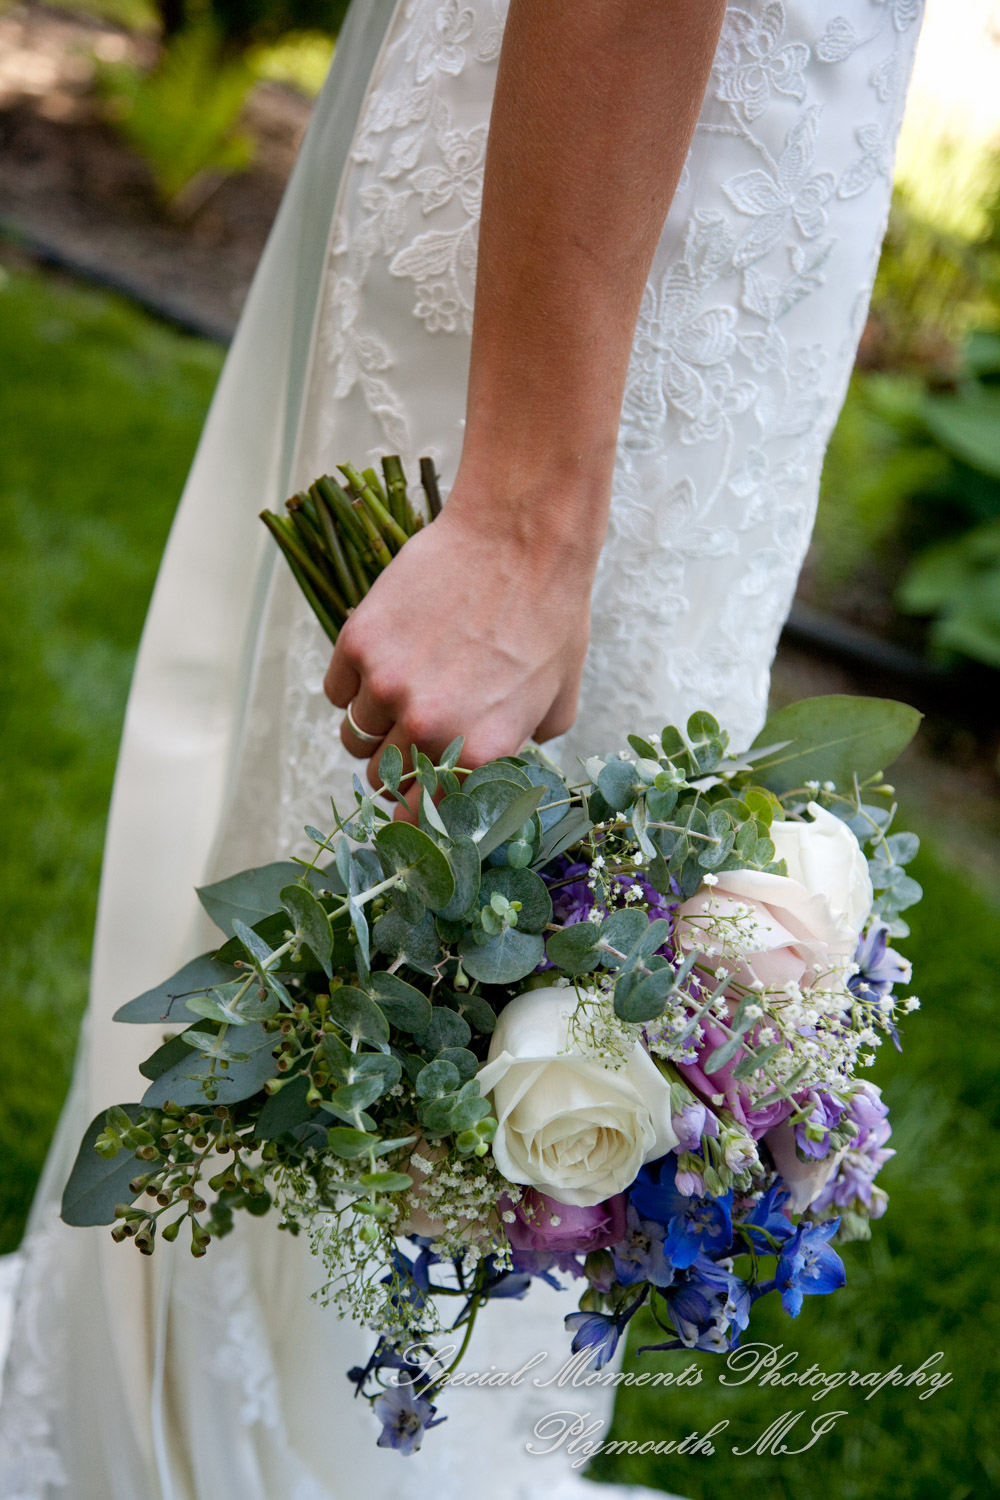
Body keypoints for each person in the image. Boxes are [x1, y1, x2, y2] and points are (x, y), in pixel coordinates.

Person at [0, 1, 925, 1496]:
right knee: (407, 872)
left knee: (565, 881)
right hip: (609, 176)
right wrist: (522, 514)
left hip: (745, 175)